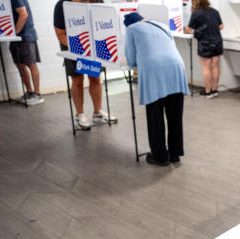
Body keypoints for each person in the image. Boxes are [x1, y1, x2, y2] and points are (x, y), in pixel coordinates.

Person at [124, 12, 189, 166]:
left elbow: (131, 59)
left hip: (154, 72)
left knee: (155, 116)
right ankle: (174, 154)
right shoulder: (162, 25)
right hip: (177, 68)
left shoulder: (131, 29)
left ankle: (160, 156)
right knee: (175, 116)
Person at [53, 0, 113, 129]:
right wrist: (78, 48)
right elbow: (60, 33)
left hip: (93, 47)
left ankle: (98, 113)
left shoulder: (98, 2)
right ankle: (80, 115)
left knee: (95, 78)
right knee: (77, 79)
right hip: (71, 47)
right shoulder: (62, 5)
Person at [185, 0, 223, 99]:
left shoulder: (196, 13)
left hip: (205, 42)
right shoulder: (215, 11)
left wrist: (195, 30)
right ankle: (214, 90)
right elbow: (221, 26)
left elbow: (189, 30)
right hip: (218, 41)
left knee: (206, 67)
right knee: (215, 66)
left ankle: (208, 92)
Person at [9, 0, 43, 105]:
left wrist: (15, 33)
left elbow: (23, 14)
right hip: (18, 37)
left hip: (25, 35)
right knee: (20, 64)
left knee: (31, 64)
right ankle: (29, 92)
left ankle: (37, 95)